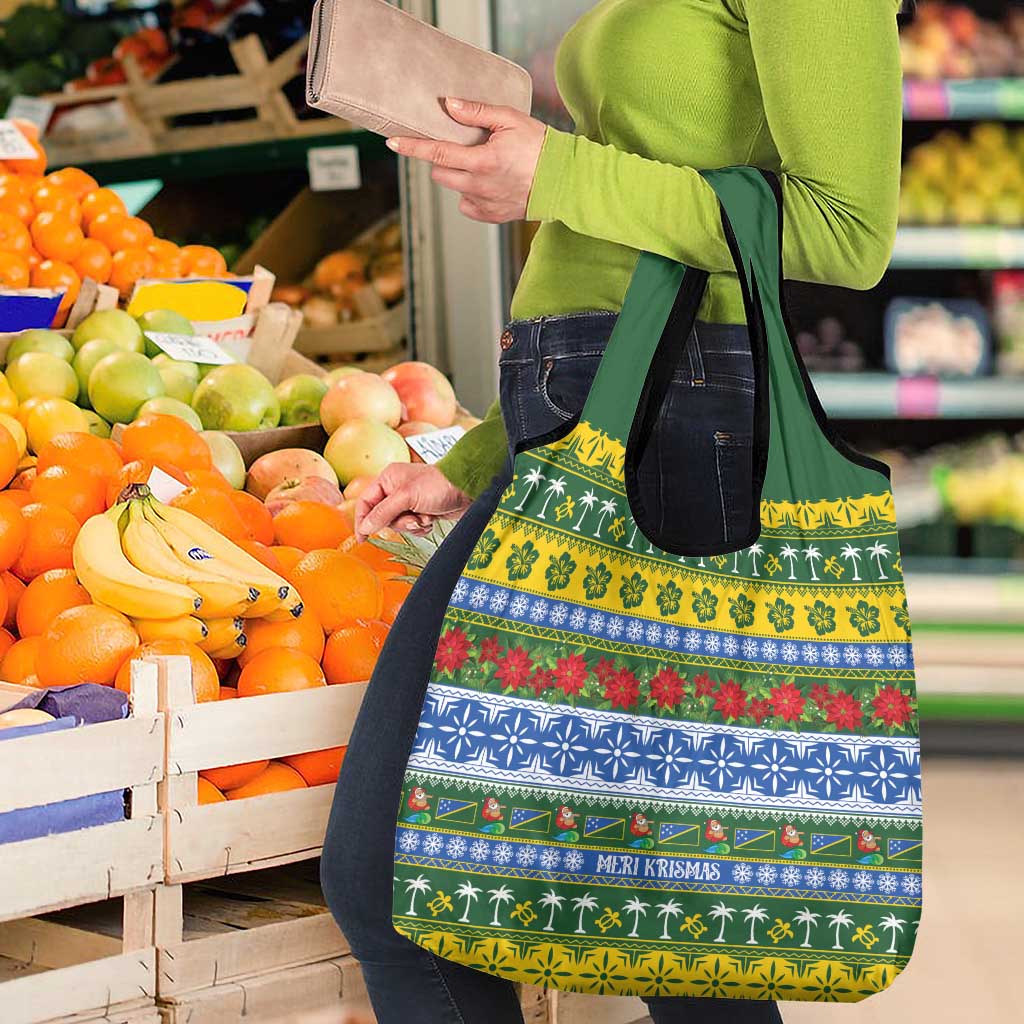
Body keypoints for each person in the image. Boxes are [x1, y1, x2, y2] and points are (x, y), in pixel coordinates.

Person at [321, 2, 906, 1021]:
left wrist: (557, 172)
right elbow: (623, 242)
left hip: (678, 433)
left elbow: (848, 230)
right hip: (589, 429)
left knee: (623, 918)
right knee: (666, 925)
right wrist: (478, 456)